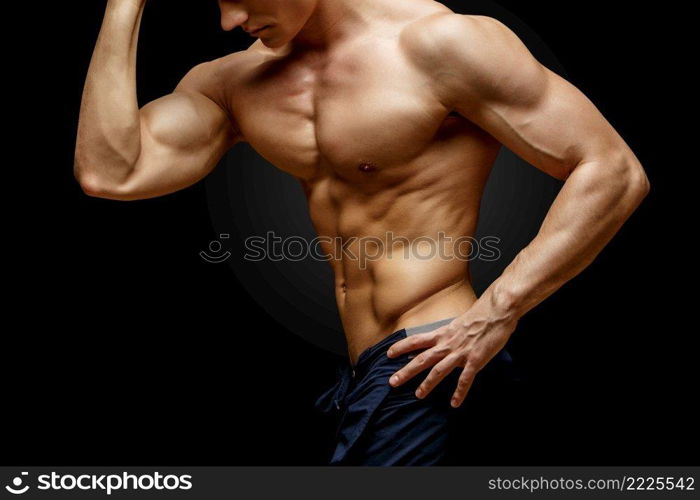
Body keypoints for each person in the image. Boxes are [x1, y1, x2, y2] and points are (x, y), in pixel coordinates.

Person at [74, 0, 650, 465]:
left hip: (431, 355)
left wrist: (499, 308)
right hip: (364, 373)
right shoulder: (233, 82)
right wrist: (124, 5)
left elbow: (612, 170)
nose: (228, 20)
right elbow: (111, 171)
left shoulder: (440, 45)